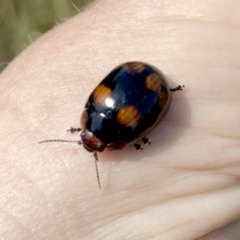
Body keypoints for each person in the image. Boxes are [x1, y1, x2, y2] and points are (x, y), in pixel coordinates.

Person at [0, 0, 239, 239]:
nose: (91, 144)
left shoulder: (115, 131)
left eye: (87, 137)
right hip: (143, 80)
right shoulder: (94, 116)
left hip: (147, 82)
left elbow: (142, 127)